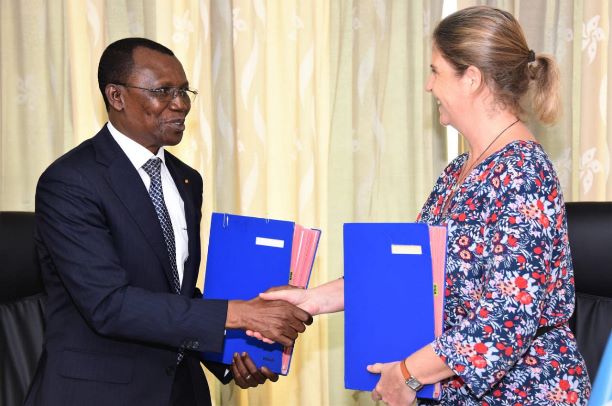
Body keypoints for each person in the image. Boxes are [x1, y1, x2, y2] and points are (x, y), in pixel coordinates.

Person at [258, 6, 592, 405]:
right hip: (452, 388)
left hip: (523, 392)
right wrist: (313, 299)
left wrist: (407, 374)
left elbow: (505, 322)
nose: (429, 86)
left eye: (436, 71)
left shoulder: (523, 173)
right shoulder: (459, 170)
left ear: (471, 79)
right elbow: (412, 274)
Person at [25, 37, 312, 406]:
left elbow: (177, 293)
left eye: (184, 91)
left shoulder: (186, 179)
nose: (181, 104)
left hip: (180, 391)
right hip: (98, 392)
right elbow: (109, 305)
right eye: (163, 91)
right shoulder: (71, 181)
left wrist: (231, 357)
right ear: (116, 96)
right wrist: (241, 315)